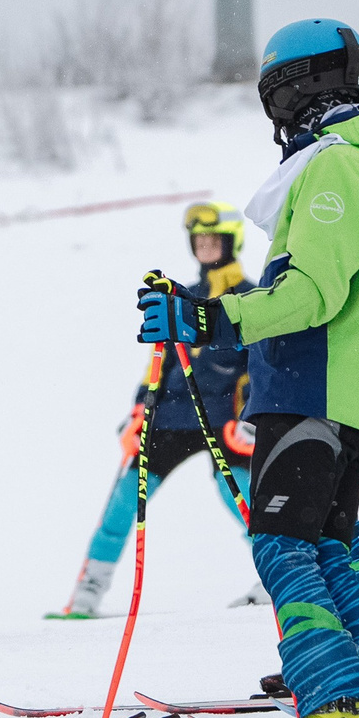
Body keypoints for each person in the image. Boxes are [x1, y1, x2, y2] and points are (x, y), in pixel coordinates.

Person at [138, 19, 359, 718]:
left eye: (276, 95)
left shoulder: (336, 169)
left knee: (284, 546)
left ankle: (332, 717)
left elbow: (310, 292)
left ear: (301, 91)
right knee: (333, 547)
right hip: (354, 392)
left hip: (312, 388)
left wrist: (206, 317)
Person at [50, 202, 255, 621]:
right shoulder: (180, 295)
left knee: (245, 502)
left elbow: (261, 366)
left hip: (225, 422)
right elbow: (157, 362)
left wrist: (252, 418)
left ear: (231, 243)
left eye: (214, 241)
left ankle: (278, 578)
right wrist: (139, 409)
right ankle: (86, 594)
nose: (205, 248)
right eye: (199, 241)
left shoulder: (248, 295)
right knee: (125, 501)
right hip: (171, 418)